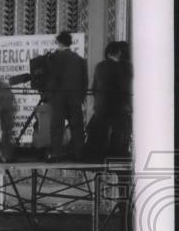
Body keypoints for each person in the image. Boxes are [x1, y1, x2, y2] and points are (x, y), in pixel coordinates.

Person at [44, 31, 88, 161]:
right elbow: (84, 81)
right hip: (75, 99)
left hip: (58, 99)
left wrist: (48, 94)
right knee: (77, 126)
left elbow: (51, 79)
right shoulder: (80, 60)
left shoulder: (53, 58)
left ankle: (56, 153)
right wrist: (81, 96)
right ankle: (79, 154)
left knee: (57, 126)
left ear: (59, 42)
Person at [86, 40, 133, 160]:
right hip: (119, 107)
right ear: (118, 53)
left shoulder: (100, 66)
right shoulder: (126, 67)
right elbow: (126, 87)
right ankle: (117, 154)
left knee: (100, 132)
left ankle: (98, 154)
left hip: (102, 106)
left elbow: (94, 88)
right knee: (119, 132)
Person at [0, 77, 17, 162]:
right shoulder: (7, 91)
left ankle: (5, 155)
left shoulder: (3, 92)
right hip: (8, 115)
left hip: (6, 115)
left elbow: (3, 106)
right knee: (7, 135)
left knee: (6, 135)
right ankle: (6, 155)